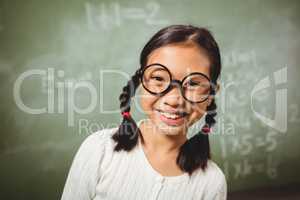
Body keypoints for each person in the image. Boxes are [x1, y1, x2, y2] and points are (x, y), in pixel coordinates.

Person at [61, 24, 227, 200]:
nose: (173, 100)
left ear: (211, 94)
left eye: (193, 83)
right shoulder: (100, 150)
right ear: (141, 81)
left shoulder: (211, 183)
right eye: (158, 78)